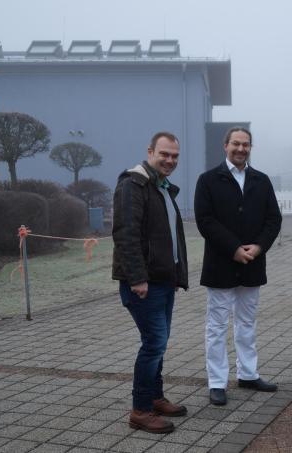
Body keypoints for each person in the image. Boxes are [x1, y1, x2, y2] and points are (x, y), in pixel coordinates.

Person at [194, 126, 282, 406]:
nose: (241, 149)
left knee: (247, 323)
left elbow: (273, 219)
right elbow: (205, 220)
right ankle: (217, 382)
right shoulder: (208, 180)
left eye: (246, 144)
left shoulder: (262, 180)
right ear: (225, 145)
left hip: (253, 264)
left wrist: (258, 247)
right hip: (221, 264)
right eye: (236, 144)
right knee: (217, 326)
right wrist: (233, 248)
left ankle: (248, 373)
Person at [112, 131, 189, 434]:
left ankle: (155, 397)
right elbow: (125, 234)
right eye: (164, 154)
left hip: (163, 282)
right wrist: (137, 278)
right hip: (144, 284)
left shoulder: (162, 188)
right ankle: (141, 410)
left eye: (175, 156)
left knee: (159, 344)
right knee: (153, 343)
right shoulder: (133, 185)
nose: (170, 160)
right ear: (150, 152)